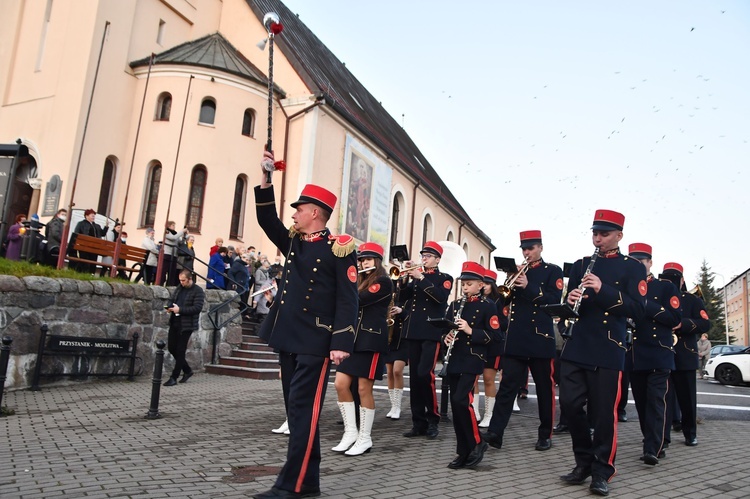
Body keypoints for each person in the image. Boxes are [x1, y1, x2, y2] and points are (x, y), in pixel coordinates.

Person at [252, 151, 358, 499]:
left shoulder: (340, 250)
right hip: (289, 336)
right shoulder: (296, 242)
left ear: (315, 213)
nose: (293, 214)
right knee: (297, 412)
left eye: (298, 209)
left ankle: (290, 485)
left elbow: (348, 298)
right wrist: (266, 178)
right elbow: (268, 221)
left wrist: (341, 341)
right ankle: (308, 482)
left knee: (303, 410)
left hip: (317, 341)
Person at [558, 209, 646, 497]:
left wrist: (603, 289)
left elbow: (638, 310)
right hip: (578, 345)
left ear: (619, 236)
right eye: (595, 233)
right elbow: (568, 315)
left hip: (608, 348)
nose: (598, 239)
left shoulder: (632, 268)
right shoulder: (581, 264)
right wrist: (571, 302)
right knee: (570, 406)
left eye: (604, 234)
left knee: (604, 415)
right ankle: (583, 462)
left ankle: (602, 470)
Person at [483, 230, 563, 452]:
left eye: (531, 248)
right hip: (517, 339)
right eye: (524, 249)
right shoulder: (516, 272)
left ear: (540, 248)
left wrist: (528, 285)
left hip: (540, 339)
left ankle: (545, 434)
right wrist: (509, 281)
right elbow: (503, 301)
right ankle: (495, 432)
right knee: (508, 387)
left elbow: (553, 302)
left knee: (545, 389)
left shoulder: (553, 271)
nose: (527, 252)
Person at [332, 242, 393, 456]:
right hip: (352, 340)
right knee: (340, 384)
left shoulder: (383, 282)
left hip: (370, 340)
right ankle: (350, 432)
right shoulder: (357, 281)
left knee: (363, 389)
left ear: (376, 261)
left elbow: (358, 300)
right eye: (361, 259)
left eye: (367, 259)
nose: (363, 262)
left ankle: (365, 437)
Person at [442, 261, 501, 469]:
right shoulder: (455, 305)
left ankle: (477, 442)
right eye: (463, 284)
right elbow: (445, 328)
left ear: (480, 285)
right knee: (456, 405)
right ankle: (463, 450)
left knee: (461, 401)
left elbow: (495, 336)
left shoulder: (488, 306)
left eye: (469, 284)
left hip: (473, 358)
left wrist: (469, 331)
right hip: (455, 358)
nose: (465, 288)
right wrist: (446, 337)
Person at [626, 243, 681, 466]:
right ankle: (650, 440)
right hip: (635, 354)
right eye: (634, 261)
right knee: (641, 403)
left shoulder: (665, 288)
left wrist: (644, 304)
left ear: (650, 263)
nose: (638, 265)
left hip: (659, 352)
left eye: (642, 261)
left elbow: (674, 319)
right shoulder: (625, 287)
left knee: (656, 402)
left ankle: (653, 448)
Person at [396, 241, 453, 440]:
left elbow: (440, 298)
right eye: (423, 255)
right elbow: (401, 297)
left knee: (425, 375)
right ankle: (417, 422)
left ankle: (433, 419)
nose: (424, 259)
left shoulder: (444, 278)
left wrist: (420, 278)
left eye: (428, 256)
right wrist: (403, 279)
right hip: (413, 332)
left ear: (437, 259)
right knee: (414, 377)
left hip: (430, 332)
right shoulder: (414, 279)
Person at [661, 262, 710, 447]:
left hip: (685, 355)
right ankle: (662, 438)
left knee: (687, 399)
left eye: (675, 279)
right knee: (663, 399)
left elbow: (705, 324)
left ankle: (690, 433)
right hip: (662, 353)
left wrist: (683, 324)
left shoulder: (692, 300)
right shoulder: (659, 297)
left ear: (682, 281)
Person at [477, 268, 510, 428]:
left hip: (493, 344)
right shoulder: (475, 299)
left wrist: (492, 319)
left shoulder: (500, 301)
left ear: (492, 285)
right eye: (481, 283)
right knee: (473, 378)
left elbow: (504, 324)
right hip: (477, 342)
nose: (484, 287)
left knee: (489, 379)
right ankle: (475, 411)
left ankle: (489, 414)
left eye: (487, 284)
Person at [164, 269, 205, 386]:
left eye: (183, 280)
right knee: (172, 348)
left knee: (180, 350)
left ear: (190, 279)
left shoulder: (198, 291)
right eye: (180, 280)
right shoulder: (179, 287)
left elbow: (197, 308)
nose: (181, 282)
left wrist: (180, 310)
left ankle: (174, 377)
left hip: (187, 325)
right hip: (175, 321)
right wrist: (169, 307)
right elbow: (172, 299)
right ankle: (187, 370)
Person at [71, 209, 107, 273]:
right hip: (84, 246)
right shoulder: (81, 224)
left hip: (95, 246)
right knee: (84, 261)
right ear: (86, 216)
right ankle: (82, 273)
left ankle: (91, 273)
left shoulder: (96, 226)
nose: (93, 217)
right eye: (92, 215)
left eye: (94, 216)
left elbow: (102, 233)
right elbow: (76, 233)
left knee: (93, 261)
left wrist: (106, 227)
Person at [162, 221, 187, 286]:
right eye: (173, 225)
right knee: (164, 271)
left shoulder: (175, 233)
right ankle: (160, 284)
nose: (174, 226)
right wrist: (182, 231)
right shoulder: (167, 232)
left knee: (172, 272)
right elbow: (173, 238)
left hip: (174, 255)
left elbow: (180, 242)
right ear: (169, 226)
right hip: (167, 254)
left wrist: (184, 236)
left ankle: (170, 285)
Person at [228, 248, 251, 313]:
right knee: (238, 303)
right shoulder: (237, 264)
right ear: (242, 258)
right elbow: (230, 273)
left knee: (242, 303)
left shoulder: (244, 266)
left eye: (248, 260)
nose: (247, 261)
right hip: (238, 286)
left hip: (243, 287)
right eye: (246, 259)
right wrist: (233, 283)